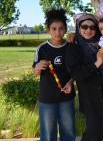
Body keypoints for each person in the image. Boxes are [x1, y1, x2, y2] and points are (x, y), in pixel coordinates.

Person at [65, 14, 103, 141]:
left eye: (93, 27)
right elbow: (77, 74)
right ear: (78, 27)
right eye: (84, 26)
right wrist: (97, 63)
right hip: (92, 99)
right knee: (93, 134)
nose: (88, 30)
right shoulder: (73, 47)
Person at [32, 9, 76, 141]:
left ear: (66, 29)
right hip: (47, 98)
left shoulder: (71, 46)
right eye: (54, 29)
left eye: (61, 28)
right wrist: (38, 67)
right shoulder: (42, 48)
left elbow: (76, 70)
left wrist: (71, 82)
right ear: (48, 30)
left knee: (68, 132)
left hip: (66, 97)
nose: (58, 32)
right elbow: (35, 72)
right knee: (48, 134)